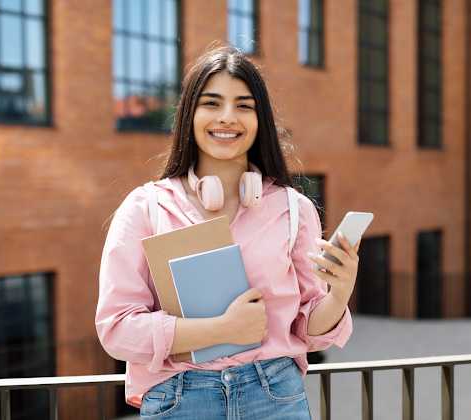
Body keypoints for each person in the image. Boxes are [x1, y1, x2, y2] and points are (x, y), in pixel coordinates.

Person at [95, 45, 360, 419]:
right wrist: (222, 329)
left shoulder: (293, 208)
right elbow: (117, 329)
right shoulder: (145, 208)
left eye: (243, 105)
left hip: (275, 395)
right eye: (212, 103)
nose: (227, 118)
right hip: (179, 397)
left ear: (259, 119)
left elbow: (307, 324)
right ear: (190, 114)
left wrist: (340, 293)